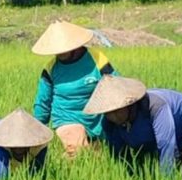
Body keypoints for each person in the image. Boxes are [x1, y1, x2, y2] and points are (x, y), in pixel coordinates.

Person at [84, 75, 182, 179]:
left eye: (117, 111)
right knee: (145, 161)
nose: (113, 116)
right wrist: (130, 176)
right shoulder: (108, 122)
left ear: (128, 104)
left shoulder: (155, 107)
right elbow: (119, 153)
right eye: (108, 113)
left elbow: (167, 145)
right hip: (146, 128)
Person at [31, 21, 117, 158]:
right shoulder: (51, 69)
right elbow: (43, 103)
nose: (59, 52)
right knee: (76, 151)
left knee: (98, 159)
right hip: (66, 118)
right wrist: (35, 132)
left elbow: (116, 86)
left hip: (97, 121)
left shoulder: (97, 59)